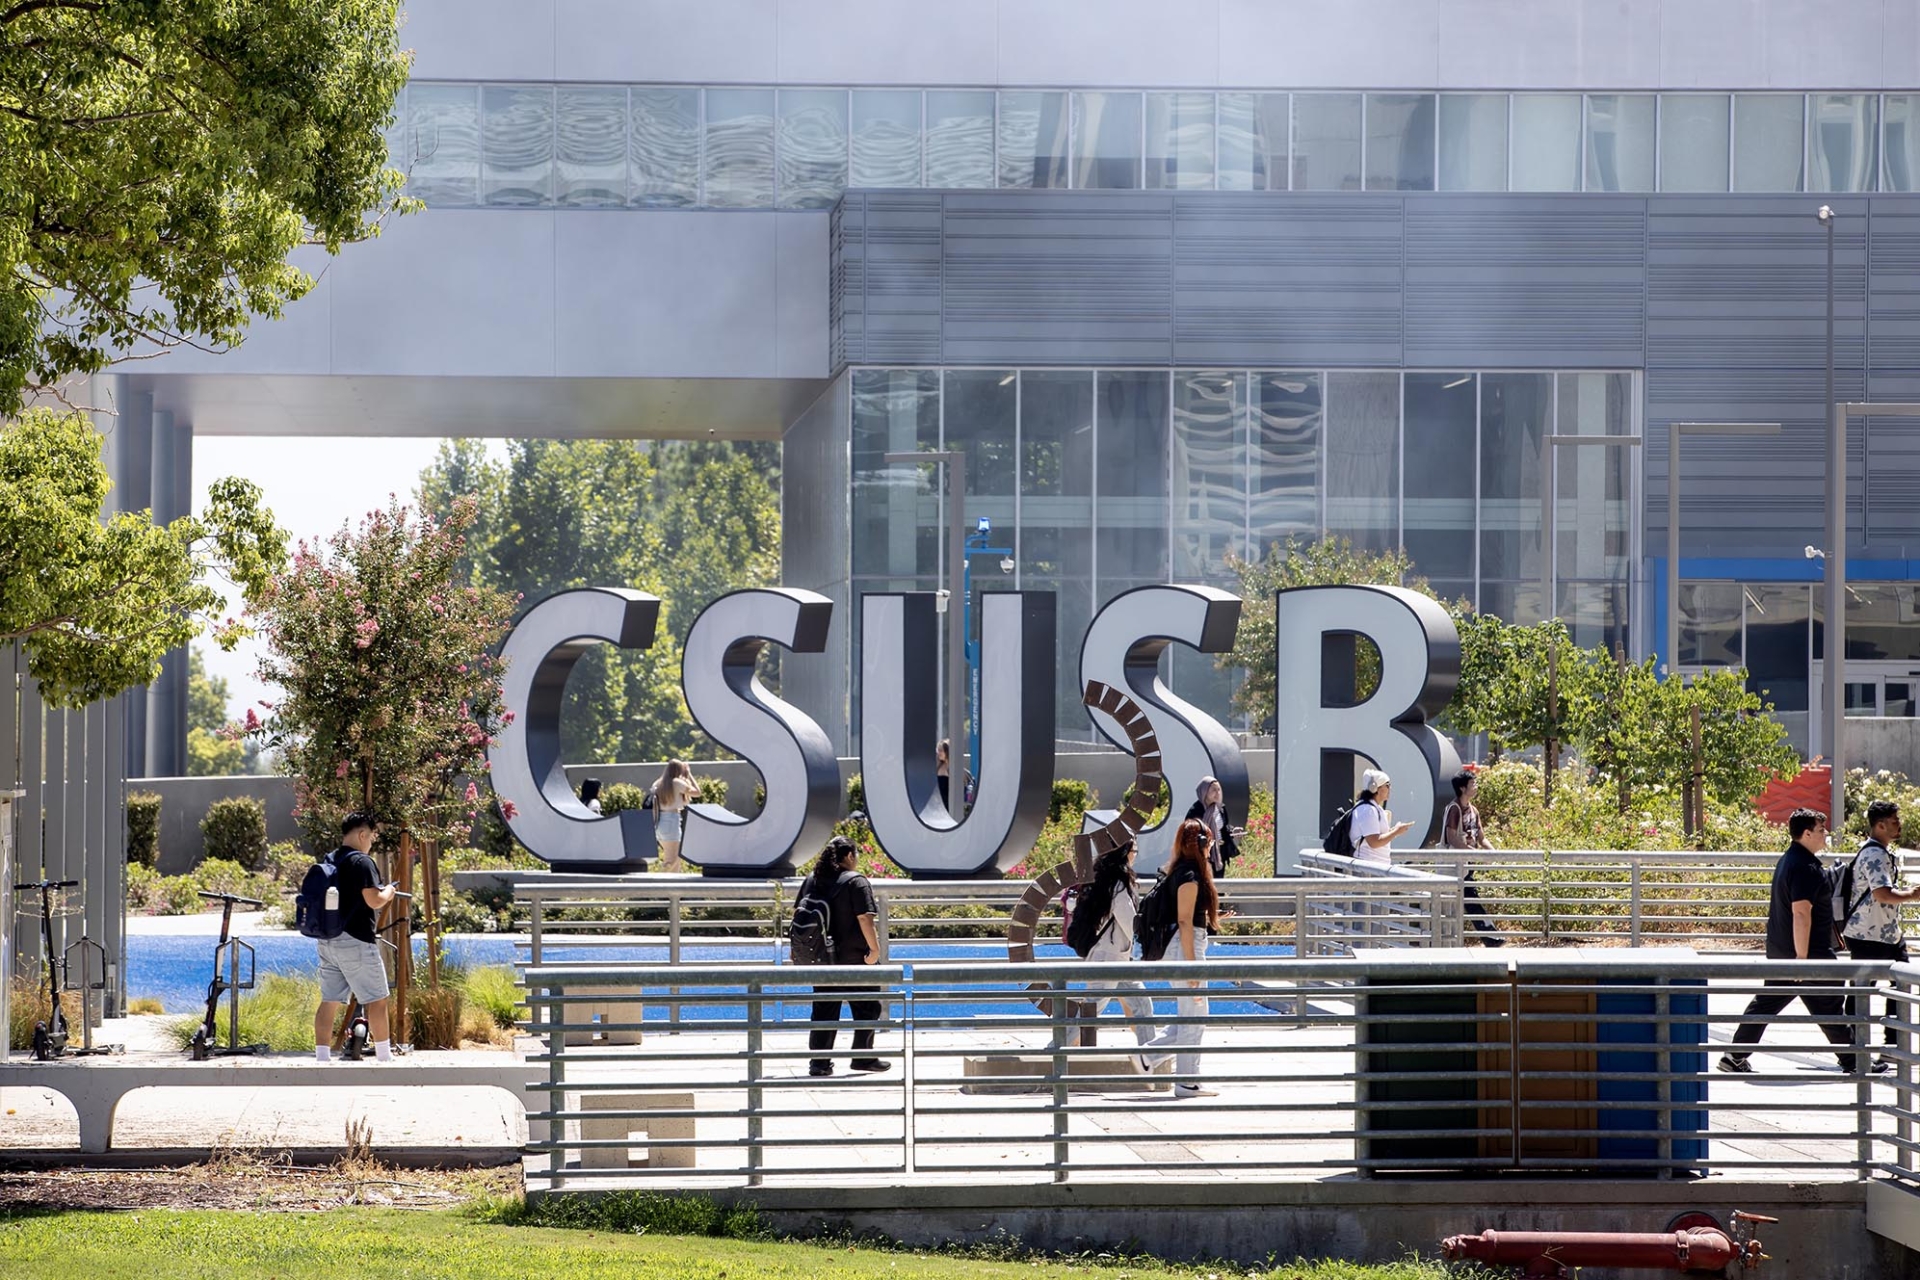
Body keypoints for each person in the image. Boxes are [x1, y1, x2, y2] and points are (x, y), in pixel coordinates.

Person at [1719, 809, 1868, 1074]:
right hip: (1808, 954)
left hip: (1784, 950)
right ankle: (1853, 1060)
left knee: (1769, 1004)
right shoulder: (1805, 867)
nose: (1826, 834)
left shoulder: (1789, 859)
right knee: (1830, 1005)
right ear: (1807, 833)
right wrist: (1801, 960)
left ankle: (1734, 1056)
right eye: (1821, 830)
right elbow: (1801, 912)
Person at [1137, 819, 1220, 1098]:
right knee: (1195, 1017)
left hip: (1185, 947)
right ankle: (1186, 1082)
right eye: (1208, 843)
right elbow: (1184, 921)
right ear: (1198, 845)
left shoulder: (1184, 871)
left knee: (1192, 1015)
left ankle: (1149, 1056)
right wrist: (1192, 965)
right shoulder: (1189, 876)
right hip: (1185, 949)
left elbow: (1189, 917)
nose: (1211, 848)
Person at [1838, 799, 1919, 1070]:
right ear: (1880, 825)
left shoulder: (1880, 852)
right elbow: (1881, 893)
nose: (1899, 825)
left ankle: (1891, 1047)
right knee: (1862, 992)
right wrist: (1912, 895)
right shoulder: (1874, 854)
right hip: (1869, 934)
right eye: (1894, 821)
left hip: (1886, 934)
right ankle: (1851, 1049)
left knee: (1900, 987)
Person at [312, 813, 397, 1063]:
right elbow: (373, 900)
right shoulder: (362, 862)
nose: (371, 841)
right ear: (362, 834)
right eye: (371, 836)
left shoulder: (331, 859)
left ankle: (322, 1057)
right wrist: (389, 891)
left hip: (327, 940)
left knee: (329, 1000)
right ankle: (384, 1057)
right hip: (356, 941)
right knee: (377, 999)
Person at [802, 835, 888, 1077]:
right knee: (868, 1008)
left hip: (821, 959)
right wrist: (875, 950)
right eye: (856, 854)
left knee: (824, 1011)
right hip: (855, 958)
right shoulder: (856, 882)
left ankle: (819, 1064)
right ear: (849, 856)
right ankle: (863, 1057)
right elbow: (864, 918)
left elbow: (800, 914)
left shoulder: (813, 880)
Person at [1080, 841, 1156, 1046]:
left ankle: (1149, 1057)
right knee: (1091, 1010)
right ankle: (1056, 1050)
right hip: (1110, 958)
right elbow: (1129, 921)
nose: (1136, 855)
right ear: (1124, 853)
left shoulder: (1109, 879)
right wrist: (1148, 932)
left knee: (1141, 1003)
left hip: (1117, 957)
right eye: (1134, 851)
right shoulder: (1119, 884)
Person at [1440, 769, 1506, 946]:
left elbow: (1481, 837)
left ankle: (1489, 937)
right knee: (1468, 899)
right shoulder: (1454, 809)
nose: (1476, 786)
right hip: (1455, 864)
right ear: (1462, 788)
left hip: (1467, 864)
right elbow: (1451, 837)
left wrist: (1492, 852)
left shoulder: (1473, 810)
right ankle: (1490, 936)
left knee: (1467, 900)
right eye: (1472, 784)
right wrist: (1472, 851)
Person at [1348, 769, 1414, 868]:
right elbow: (1374, 842)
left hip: (1374, 866)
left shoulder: (1371, 808)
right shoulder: (1368, 810)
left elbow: (1375, 836)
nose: (1390, 788)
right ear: (1376, 788)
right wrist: (1396, 832)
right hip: (1369, 868)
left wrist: (1394, 830)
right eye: (1387, 785)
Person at [1183, 776, 1243, 878]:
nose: (1217, 793)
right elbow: (1189, 832)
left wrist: (1232, 831)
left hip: (1220, 852)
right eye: (1213, 790)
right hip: (1204, 854)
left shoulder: (1220, 808)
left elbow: (1223, 828)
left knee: (1218, 881)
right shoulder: (1196, 811)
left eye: (1218, 789)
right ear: (1204, 791)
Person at [651, 760, 700, 872]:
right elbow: (697, 792)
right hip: (671, 821)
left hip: (660, 822)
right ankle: (660, 882)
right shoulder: (677, 783)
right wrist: (689, 774)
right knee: (671, 859)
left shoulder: (657, 784)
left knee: (675, 856)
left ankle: (672, 882)